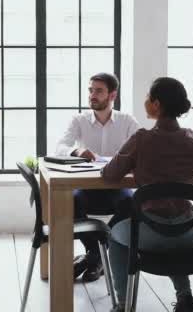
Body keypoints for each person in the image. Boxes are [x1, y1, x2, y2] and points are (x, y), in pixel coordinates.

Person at [102, 77, 193, 312]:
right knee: (171, 240)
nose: (146, 102)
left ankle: (123, 305)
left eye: (148, 98)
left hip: (150, 232)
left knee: (114, 235)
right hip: (188, 232)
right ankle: (185, 296)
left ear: (157, 105)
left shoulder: (141, 139)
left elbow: (110, 174)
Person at [55, 72, 139, 282]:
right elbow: (59, 147)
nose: (92, 95)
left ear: (112, 96)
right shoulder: (79, 120)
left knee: (132, 204)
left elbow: (143, 150)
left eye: (99, 91)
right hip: (87, 188)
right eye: (91, 90)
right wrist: (76, 152)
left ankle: (94, 258)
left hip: (117, 188)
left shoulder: (127, 121)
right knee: (69, 203)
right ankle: (97, 253)